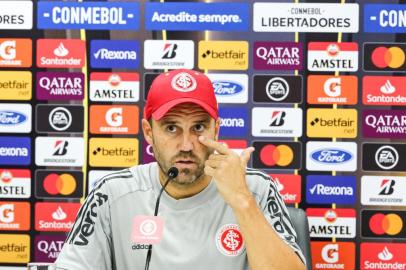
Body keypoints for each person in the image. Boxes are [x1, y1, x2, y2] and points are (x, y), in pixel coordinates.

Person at [55, 69, 306, 270]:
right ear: (148, 132)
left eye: (198, 128)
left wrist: (242, 201)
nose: (186, 145)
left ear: (215, 130)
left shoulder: (255, 189)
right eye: (171, 128)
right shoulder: (111, 195)